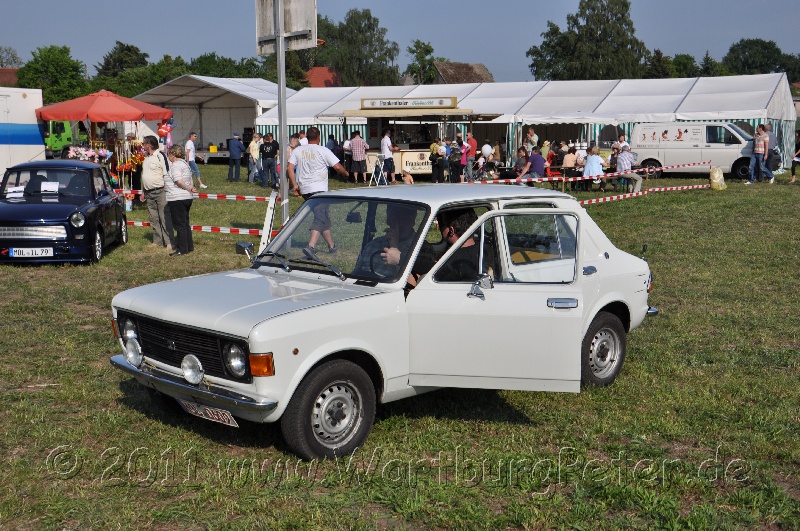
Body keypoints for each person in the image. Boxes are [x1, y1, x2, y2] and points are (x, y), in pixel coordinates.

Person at [287, 126, 349, 255]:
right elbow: (337, 166)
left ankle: (331, 246)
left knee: (323, 217)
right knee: (320, 218)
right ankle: (311, 246)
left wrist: (295, 185)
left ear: (307, 137)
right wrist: (346, 173)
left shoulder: (298, 150)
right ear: (319, 137)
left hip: (305, 189)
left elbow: (290, 168)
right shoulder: (323, 150)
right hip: (319, 189)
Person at [352, 203, 435, 284]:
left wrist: (394, 247)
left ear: (412, 220)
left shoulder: (423, 248)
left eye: (403, 218)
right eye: (393, 218)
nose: (397, 223)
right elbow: (354, 274)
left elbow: (413, 286)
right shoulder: (373, 244)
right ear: (388, 220)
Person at [434, 207, 480, 283]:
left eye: (442, 225)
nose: (440, 229)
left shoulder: (451, 263)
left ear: (451, 231)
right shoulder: (481, 250)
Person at [139, 135, 170, 248]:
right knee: (153, 218)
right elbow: (145, 176)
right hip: (148, 192)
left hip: (160, 191)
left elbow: (166, 173)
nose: (143, 146)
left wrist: (168, 190)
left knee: (164, 217)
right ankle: (157, 242)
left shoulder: (160, 156)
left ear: (149, 145)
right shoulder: (146, 158)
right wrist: (143, 191)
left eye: (144, 144)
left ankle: (169, 242)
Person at [165, 144, 196, 256]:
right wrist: (191, 188)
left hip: (177, 197)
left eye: (169, 154)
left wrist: (188, 188)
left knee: (179, 225)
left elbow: (178, 181)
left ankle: (182, 249)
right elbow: (190, 180)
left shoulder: (176, 165)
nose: (168, 156)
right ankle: (189, 246)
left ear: (173, 154)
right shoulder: (185, 164)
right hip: (187, 197)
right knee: (185, 223)